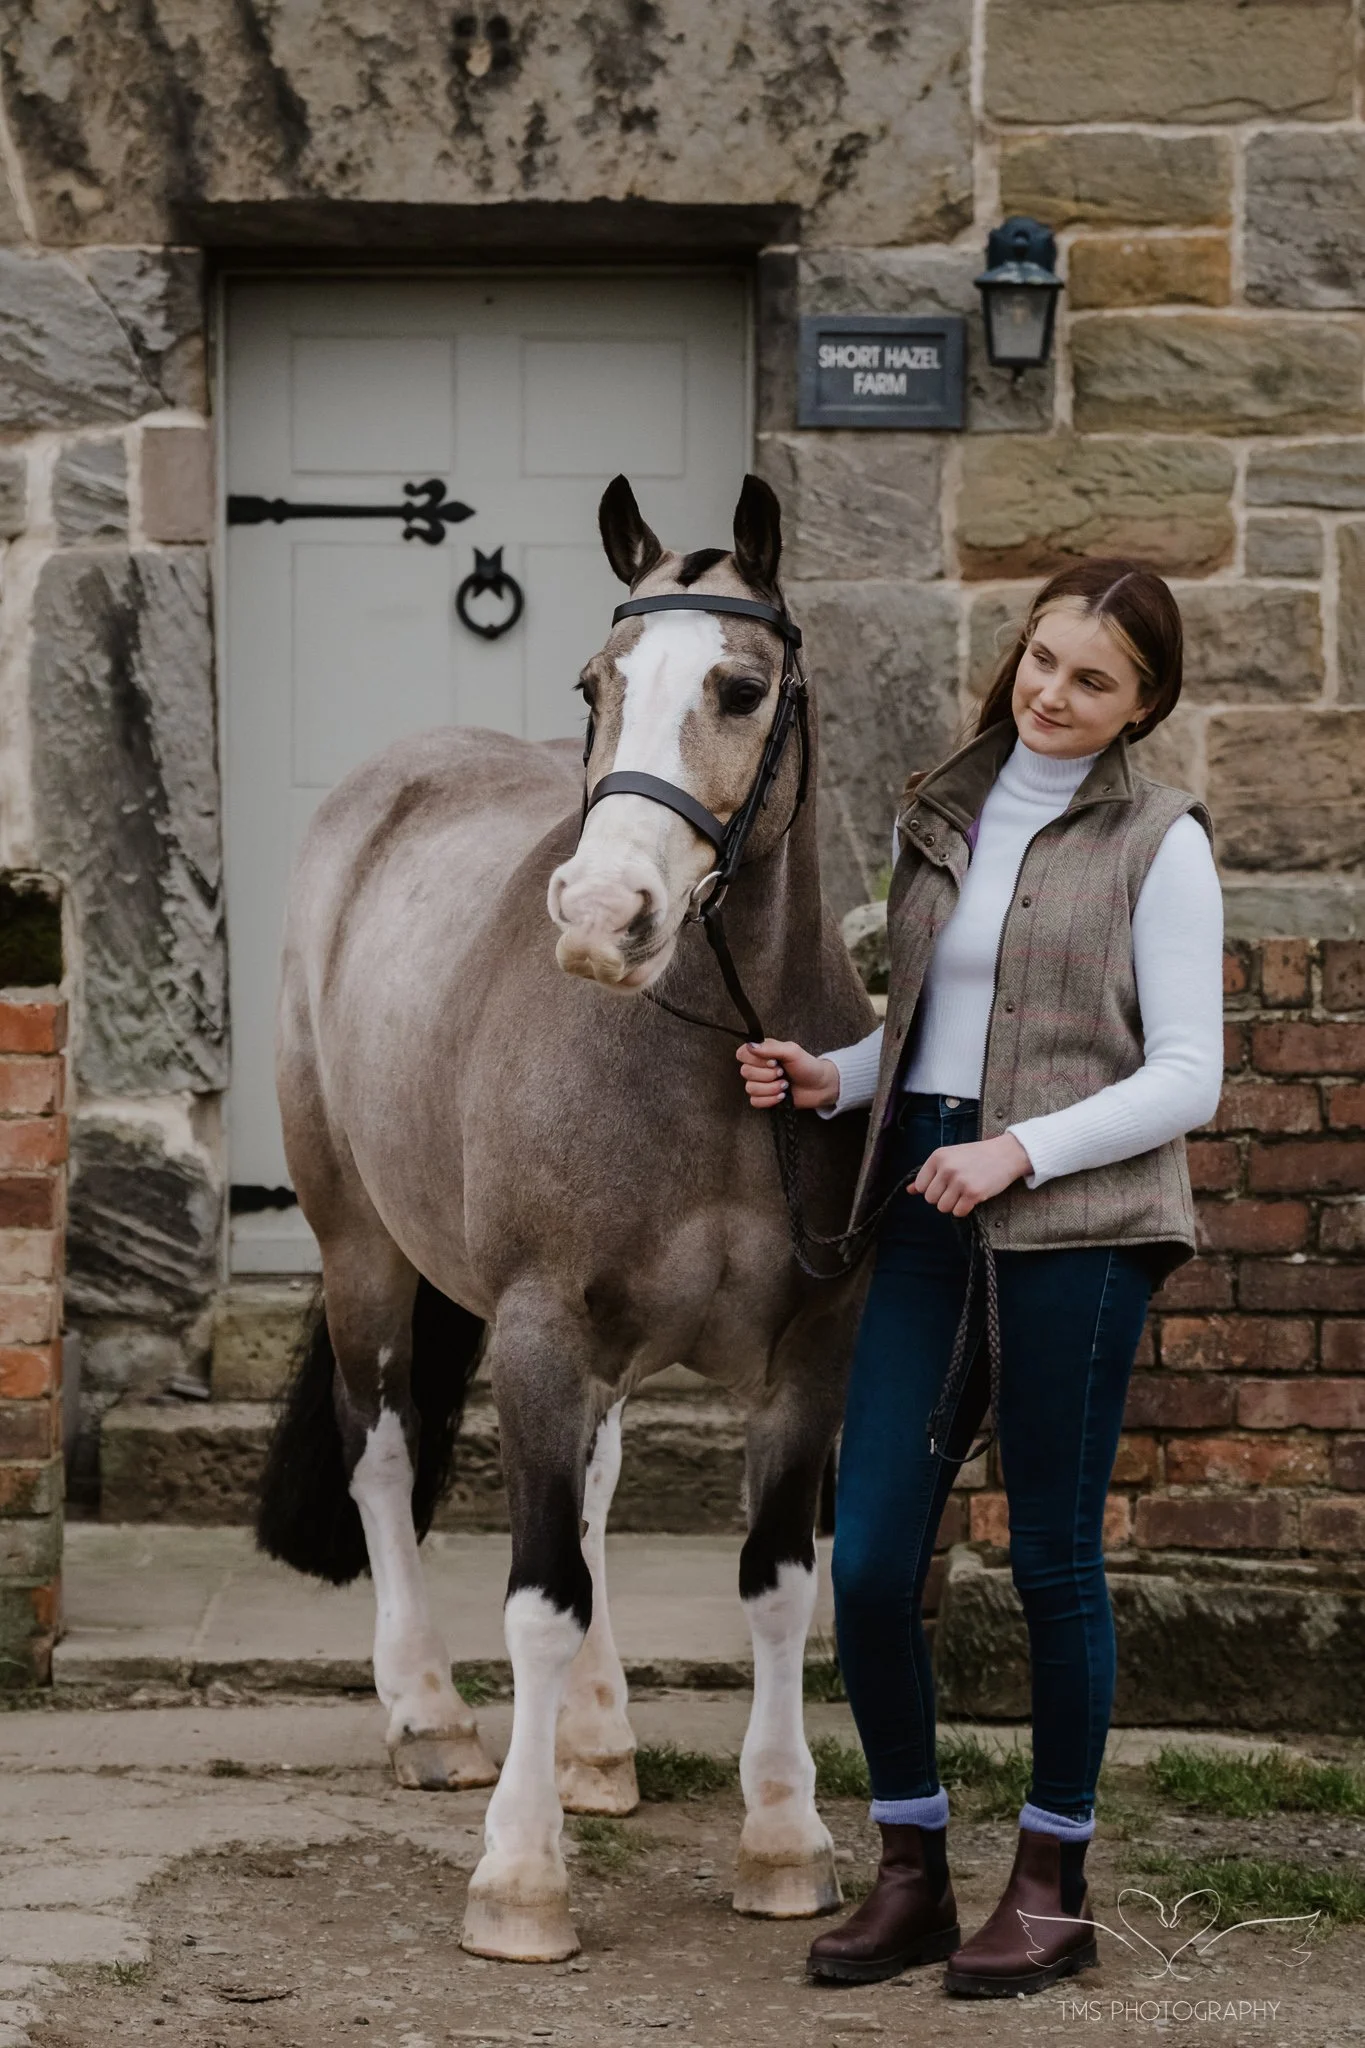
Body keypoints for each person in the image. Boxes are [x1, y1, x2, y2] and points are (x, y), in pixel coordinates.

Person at [736, 558, 1224, 1999]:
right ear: (1019, 650)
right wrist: (838, 1078)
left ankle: (1051, 1883)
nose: (1055, 697)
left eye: (1095, 683)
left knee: (1052, 1562)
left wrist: (1021, 1152)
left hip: (1078, 1227)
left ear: (1143, 706)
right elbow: (938, 1022)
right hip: (929, 1212)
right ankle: (912, 1876)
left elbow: (1189, 1077)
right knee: (877, 1559)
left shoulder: (1160, 841)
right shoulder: (942, 814)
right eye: (1045, 661)